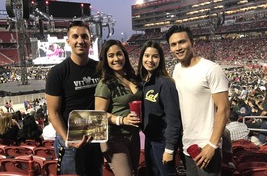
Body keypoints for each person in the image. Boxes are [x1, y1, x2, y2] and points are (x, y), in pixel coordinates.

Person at [166, 25, 230, 175]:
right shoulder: (176, 70)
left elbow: (224, 108)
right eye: (173, 44)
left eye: (182, 42)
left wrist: (212, 145)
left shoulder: (211, 69)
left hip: (206, 145)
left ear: (192, 42)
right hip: (187, 145)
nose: (178, 47)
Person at [45, 21, 103, 175]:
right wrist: (67, 139)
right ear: (68, 41)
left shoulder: (100, 69)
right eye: (75, 36)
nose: (80, 41)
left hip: (94, 137)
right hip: (70, 141)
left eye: (85, 36)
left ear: (90, 40)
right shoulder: (57, 73)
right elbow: (53, 112)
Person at [95, 39, 142, 176]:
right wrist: (122, 120)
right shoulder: (105, 84)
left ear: (125, 55)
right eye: (111, 56)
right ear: (105, 59)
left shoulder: (132, 78)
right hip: (115, 138)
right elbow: (99, 115)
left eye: (119, 54)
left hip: (134, 135)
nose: (116, 59)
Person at [137, 40, 182, 176]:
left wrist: (169, 149)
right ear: (141, 58)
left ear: (160, 59)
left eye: (155, 56)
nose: (150, 60)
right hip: (150, 139)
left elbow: (174, 120)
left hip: (163, 142)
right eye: (146, 56)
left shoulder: (165, 83)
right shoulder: (144, 82)